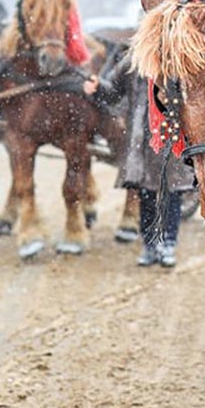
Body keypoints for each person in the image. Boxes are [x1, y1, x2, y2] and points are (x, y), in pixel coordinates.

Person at [83, 49, 194, 267]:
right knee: (146, 196)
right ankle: (150, 245)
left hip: (171, 138)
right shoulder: (134, 59)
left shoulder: (181, 55)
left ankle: (168, 243)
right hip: (142, 141)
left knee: (170, 194)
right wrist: (97, 87)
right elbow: (113, 90)